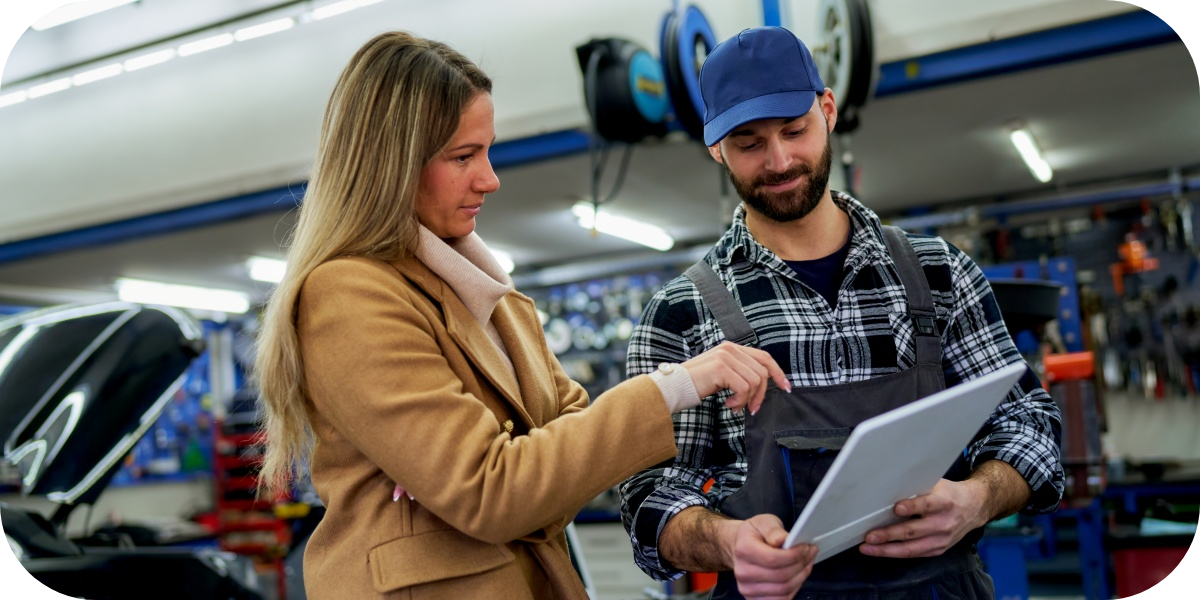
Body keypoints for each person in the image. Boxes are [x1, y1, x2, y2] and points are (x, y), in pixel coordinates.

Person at [253, 31, 793, 600]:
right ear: (392, 164)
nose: (490, 179)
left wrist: (503, 475)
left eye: (487, 151)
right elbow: (494, 493)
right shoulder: (348, 294)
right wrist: (676, 384)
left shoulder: (490, 296)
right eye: (463, 156)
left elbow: (564, 446)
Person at [618, 26, 1064, 600]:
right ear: (714, 147)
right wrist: (728, 541)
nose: (779, 161)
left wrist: (978, 499)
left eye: (794, 130)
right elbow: (650, 495)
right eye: (749, 142)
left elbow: (1031, 423)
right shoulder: (679, 314)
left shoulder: (938, 274)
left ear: (827, 110)